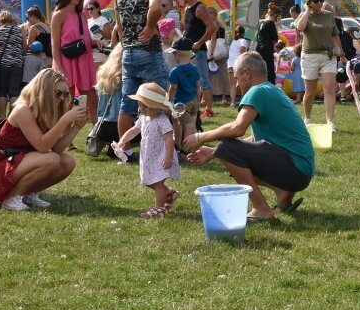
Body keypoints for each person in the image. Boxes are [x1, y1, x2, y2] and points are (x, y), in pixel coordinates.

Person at [185, 51, 314, 222]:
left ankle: (261, 208)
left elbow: (237, 129)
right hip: (301, 170)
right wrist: (214, 152)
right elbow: (255, 140)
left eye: (237, 78)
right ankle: (283, 192)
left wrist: (201, 137)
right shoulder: (272, 90)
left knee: (227, 148)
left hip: (295, 168)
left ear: (247, 73)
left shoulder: (257, 92)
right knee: (227, 152)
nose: (236, 84)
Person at [0, 68, 85, 209]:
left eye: (65, 94)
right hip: (0, 162)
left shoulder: (48, 110)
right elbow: (42, 147)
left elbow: (56, 149)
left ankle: (27, 194)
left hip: (20, 159)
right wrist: (63, 121)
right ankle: (11, 198)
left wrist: (76, 128)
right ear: (44, 92)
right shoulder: (23, 110)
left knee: (68, 162)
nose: (61, 98)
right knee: (51, 159)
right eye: (58, 93)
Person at [115, 0, 168, 138]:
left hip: (128, 51)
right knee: (159, 98)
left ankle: (124, 149)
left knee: (127, 103)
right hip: (149, 50)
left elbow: (118, 24)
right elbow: (155, 8)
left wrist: (125, 43)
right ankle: (161, 145)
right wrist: (150, 26)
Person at [113, 82, 179, 218]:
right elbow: (133, 131)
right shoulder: (143, 119)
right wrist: (122, 141)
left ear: (156, 106)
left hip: (161, 156)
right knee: (149, 181)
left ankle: (159, 208)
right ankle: (169, 193)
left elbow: (169, 139)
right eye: (140, 105)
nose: (142, 108)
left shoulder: (162, 120)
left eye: (145, 105)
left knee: (158, 183)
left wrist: (168, 157)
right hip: (149, 156)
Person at [51, 0, 98, 123]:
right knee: (67, 102)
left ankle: (97, 136)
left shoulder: (82, 15)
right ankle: (64, 139)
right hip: (65, 62)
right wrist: (59, 68)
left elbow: (85, 38)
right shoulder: (59, 15)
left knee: (92, 100)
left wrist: (95, 42)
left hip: (83, 59)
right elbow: (55, 43)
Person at [296, 0, 342, 131]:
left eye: (321, 0)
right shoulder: (305, 16)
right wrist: (306, 11)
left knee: (329, 89)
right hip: (310, 56)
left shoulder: (328, 15)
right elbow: (299, 28)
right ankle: (307, 118)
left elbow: (335, 35)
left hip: (328, 55)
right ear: (309, 3)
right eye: (316, 1)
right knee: (309, 92)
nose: (320, 3)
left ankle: (330, 123)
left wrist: (340, 50)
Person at [175, 0, 217, 119]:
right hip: (188, 51)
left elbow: (212, 27)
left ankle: (209, 110)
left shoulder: (200, 8)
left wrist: (199, 43)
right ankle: (195, 107)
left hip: (198, 51)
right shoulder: (187, 9)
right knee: (192, 81)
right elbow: (187, 28)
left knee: (203, 80)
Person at [167, 37, 200, 156]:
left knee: (184, 127)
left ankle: (184, 149)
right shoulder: (195, 69)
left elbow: (173, 88)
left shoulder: (175, 71)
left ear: (178, 54)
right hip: (193, 101)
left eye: (174, 54)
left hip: (181, 103)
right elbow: (198, 86)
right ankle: (196, 147)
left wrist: (168, 102)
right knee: (192, 126)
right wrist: (198, 99)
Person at [0, 10, 25, 121]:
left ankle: (2, 116)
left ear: (0, 20)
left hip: (2, 65)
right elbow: (25, 47)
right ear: (11, 19)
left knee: (2, 91)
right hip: (17, 64)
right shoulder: (19, 30)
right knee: (14, 91)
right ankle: (13, 117)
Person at [206, 6, 230, 103]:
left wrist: (210, 53)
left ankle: (206, 97)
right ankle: (223, 96)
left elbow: (213, 39)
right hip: (222, 52)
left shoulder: (212, 24)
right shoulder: (220, 24)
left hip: (215, 51)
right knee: (222, 73)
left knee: (209, 74)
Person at [257, 3, 283, 85]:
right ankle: (271, 86)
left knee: (262, 69)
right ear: (275, 15)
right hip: (267, 48)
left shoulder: (261, 22)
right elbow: (275, 38)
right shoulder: (271, 23)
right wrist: (277, 26)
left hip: (260, 48)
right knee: (269, 69)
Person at [227, 25, 249, 107]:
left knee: (232, 84)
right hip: (239, 64)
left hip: (230, 64)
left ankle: (232, 102)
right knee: (243, 83)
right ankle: (244, 101)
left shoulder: (233, 42)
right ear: (243, 33)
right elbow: (242, 50)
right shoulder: (243, 41)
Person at [86, 0, 111, 71]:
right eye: (88, 9)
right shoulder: (87, 21)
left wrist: (100, 30)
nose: (89, 10)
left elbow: (110, 36)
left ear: (98, 9)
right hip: (89, 49)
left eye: (92, 8)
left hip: (100, 50)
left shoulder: (103, 20)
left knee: (98, 74)